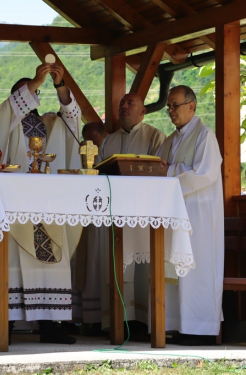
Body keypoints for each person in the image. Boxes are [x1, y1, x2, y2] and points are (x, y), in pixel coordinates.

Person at [0, 63, 82, 344]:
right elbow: (8, 110)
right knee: (17, 264)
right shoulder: (6, 118)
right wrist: (34, 79)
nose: (34, 95)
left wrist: (58, 84)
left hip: (48, 203)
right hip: (16, 205)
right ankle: (8, 326)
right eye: (28, 91)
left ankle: (50, 324)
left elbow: (72, 115)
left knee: (49, 262)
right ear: (17, 97)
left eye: (36, 90)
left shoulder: (50, 122)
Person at [76, 93, 165, 335]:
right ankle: (114, 319)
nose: (124, 106)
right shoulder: (109, 141)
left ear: (142, 112)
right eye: (121, 103)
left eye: (130, 104)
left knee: (140, 268)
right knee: (113, 265)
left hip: (141, 216)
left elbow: (159, 173)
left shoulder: (155, 136)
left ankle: (140, 322)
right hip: (114, 215)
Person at [157, 85, 224, 346]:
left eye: (175, 105)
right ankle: (178, 325)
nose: (170, 111)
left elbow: (205, 174)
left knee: (197, 271)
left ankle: (200, 329)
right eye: (169, 106)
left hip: (199, 216)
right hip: (177, 215)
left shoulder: (205, 136)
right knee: (175, 272)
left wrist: (170, 170)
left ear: (191, 106)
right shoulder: (171, 139)